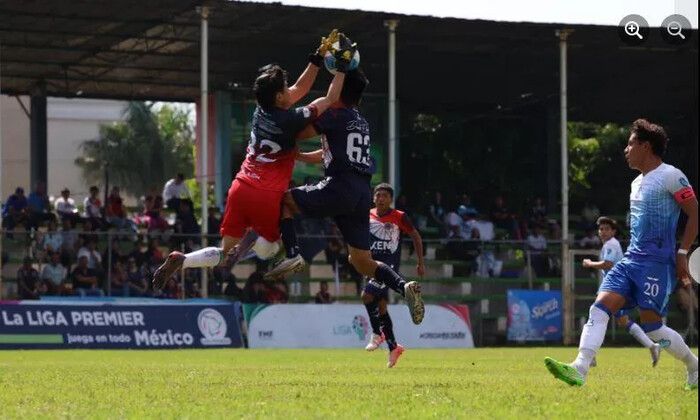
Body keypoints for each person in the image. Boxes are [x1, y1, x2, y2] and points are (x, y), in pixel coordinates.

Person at [152, 30, 352, 290]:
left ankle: (184, 259)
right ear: (280, 98)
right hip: (266, 195)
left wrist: (316, 59)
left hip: (240, 187)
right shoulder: (290, 120)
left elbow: (299, 88)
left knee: (224, 251)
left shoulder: (260, 110)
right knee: (271, 250)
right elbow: (330, 98)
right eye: (284, 89)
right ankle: (255, 240)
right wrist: (342, 68)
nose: (288, 91)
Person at [545, 119, 698, 390]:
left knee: (654, 329)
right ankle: (579, 368)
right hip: (630, 261)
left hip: (656, 264)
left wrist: (683, 252)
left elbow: (694, 212)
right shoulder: (635, 183)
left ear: (646, 146)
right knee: (599, 307)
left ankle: (694, 365)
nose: (626, 150)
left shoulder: (672, 175)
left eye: (630, 144)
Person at [273, 68, 425, 326]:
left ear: (340, 90)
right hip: (361, 193)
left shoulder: (334, 114)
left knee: (285, 200)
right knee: (361, 261)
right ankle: (404, 285)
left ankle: (293, 254)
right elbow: (328, 152)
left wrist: (297, 117)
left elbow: (300, 133)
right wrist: (301, 157)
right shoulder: (361, 122)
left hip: (339, 186)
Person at [582, 216, 661, 365]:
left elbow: (608, 264)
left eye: (606, 229)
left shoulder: (611, 244)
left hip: (614, 287)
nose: (603, 232)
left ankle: (589, 356)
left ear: (613, 231)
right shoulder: (610, 244)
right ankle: (652, 346)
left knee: (597, 314)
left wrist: (589, 263)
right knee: (622, 321)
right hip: (615, 286)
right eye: (601, 229)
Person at [362, 183, 424, 368]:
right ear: (373, 198)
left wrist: (420, 262)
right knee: (380, 307)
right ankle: (393, 348)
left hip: (388, 267)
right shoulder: (368, 215)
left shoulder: (399, 217)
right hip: (371, 266)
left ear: (390, 199)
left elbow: (416, 236)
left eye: (384, 196)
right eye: (377, 195)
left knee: (366, 296)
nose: (380, 199)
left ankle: (376, 333)